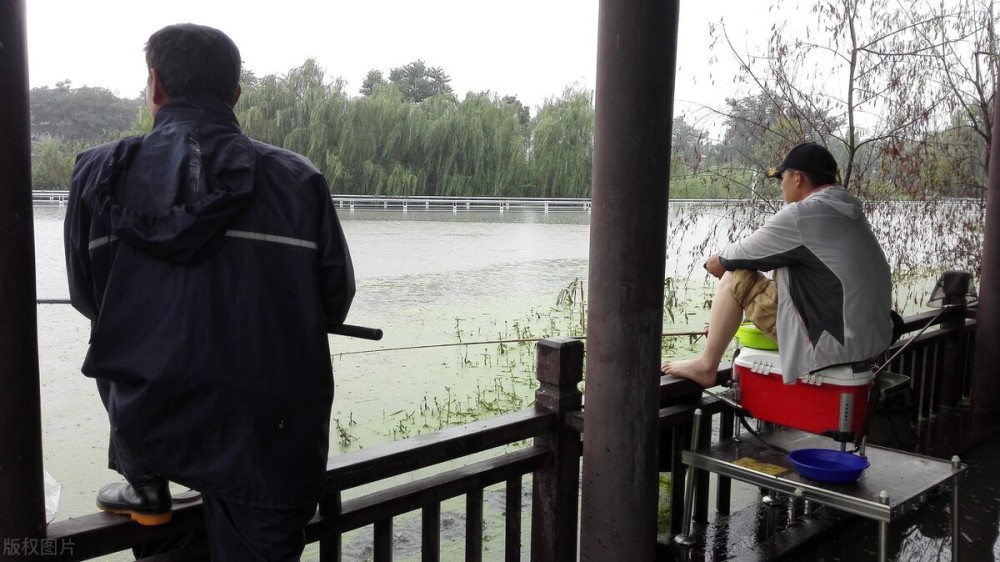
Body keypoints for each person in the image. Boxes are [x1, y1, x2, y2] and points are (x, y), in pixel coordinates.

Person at [64, 23, 355, 560]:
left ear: (154, 85)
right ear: (236, 93)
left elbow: (87, 298)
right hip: (272, 436)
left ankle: (146, 487)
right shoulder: (297, 178)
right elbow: (334, 300)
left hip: (149, 427)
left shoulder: (97, 174)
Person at [661, 142, 892, 387]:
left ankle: (706, 366)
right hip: (869, 344)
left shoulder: (802, 215)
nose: (781, 185)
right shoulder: (848, 212)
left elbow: (734, 257)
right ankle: (718, 338)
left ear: (797, 178)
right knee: (785, 269)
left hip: (831, 344)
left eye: (782, 177)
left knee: (733, 277)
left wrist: (713, 263)